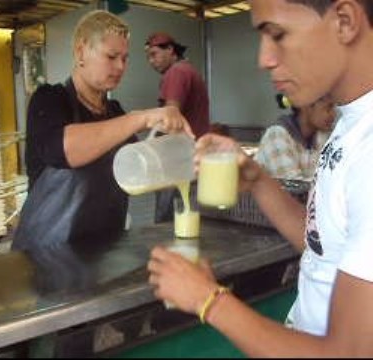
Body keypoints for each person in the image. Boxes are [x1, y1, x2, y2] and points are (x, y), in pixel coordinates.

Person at [148, 0, 373, 356]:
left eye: (277, 35)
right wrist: (258, 180)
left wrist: (209, 300)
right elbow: (324, 246)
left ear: (344, 22)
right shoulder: (352, 122)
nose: (264, 59)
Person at [11, 11, 192, 260]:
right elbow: (64, 149)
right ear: (80, 52)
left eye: (125, 58)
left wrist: (181, 151)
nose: (120, 67)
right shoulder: (50, 99)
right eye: (111, 56)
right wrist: (141, 117)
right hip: (46, 257)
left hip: (103, 254)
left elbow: (140, 170)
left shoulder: (114, 112)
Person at [144, 32, 210, 223]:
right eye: (149, 56)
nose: (151, 61)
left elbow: (170, 117)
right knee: (187, 218)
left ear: (170, 49)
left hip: (177, 162)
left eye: (154, 54)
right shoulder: (189, 70)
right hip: (193, 160)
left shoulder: (176, 72)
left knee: (167, 223)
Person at [254, 94, 336, 180]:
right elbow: (293, 185)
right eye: (328, 108)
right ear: (306, 107)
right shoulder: (276, 135)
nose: (333, 115)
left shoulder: (323, 136)